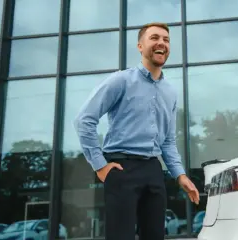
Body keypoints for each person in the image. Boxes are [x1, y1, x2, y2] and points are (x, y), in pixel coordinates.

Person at [73, 22, 200, 240]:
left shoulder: (170, 92)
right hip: (122, 169)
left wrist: (180, 174)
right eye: (154, 38)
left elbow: (168, 141)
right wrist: (100, 165)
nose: (161, 43)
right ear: (140, 46)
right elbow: (84, 120)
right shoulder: (120, 80)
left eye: (166, 40)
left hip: (153, 170)